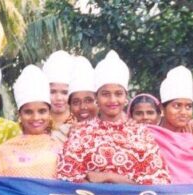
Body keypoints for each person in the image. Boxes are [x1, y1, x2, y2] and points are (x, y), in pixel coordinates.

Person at [57, 50, 170, 186]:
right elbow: (65, 179)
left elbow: (159, 180)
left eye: (118, 94)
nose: (112, 100)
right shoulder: (80, 133)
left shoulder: (140, 134)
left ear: (125, 97)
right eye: (105, 94)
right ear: (96, 98)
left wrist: (110, 177)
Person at [0, 65, 62, 179]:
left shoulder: (61, 149)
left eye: (42, 111)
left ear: (49, 113)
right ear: (20, 115)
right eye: (28, 112)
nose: (35, 117)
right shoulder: (3, 152)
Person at [148, 66, 193, 184]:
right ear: (162, 108)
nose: (183, 112)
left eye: (188, 106)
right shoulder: (148, 137)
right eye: (177, 106)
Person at [42, 50, 75, 143]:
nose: (59, 98)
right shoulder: (35, 122)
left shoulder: (79, 123)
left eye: (65, 92)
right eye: (52, 92)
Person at [67, 56, 98, 126]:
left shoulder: (112, 131)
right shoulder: (61, 135)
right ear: (69, 106)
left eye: (88, 100)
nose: (83, 107)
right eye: (76, 102)